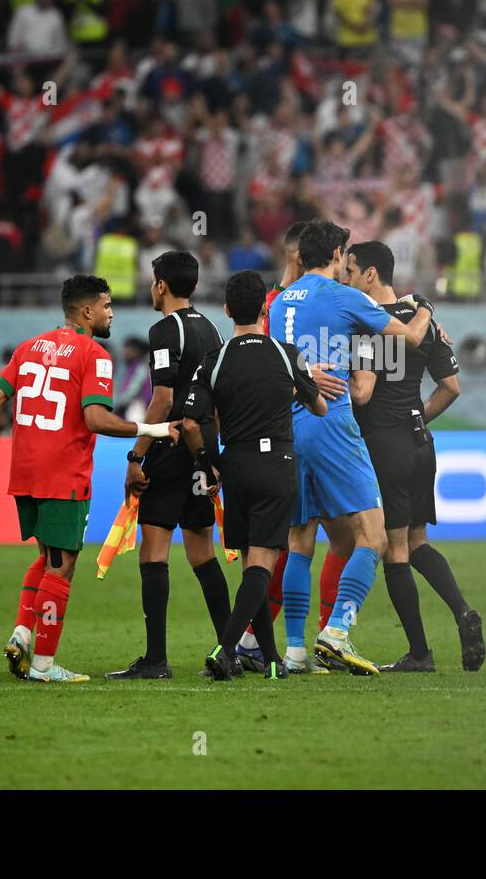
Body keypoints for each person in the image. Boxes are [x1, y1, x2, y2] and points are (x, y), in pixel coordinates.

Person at [0, 274, 177, 683]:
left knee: (47, 559)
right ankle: (43, 665)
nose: (112, 312)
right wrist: (152, 430)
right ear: (87, 311)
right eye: (107, 305)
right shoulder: (94, 355)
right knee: (63, 567)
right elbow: (95, 419)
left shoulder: (28, 348)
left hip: (23, 470)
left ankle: (22, 634)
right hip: (63, 472)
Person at [277, 219, 435, 676]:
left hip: (290, 423)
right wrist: (421, 308)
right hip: (332, 422)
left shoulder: (283, 300)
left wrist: (301, 378)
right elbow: (409, 337)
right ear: (336, 255)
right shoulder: (347, 298)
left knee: (299, 539)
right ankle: (337, 632)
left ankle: (295, 652)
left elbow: (281, 358)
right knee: (375, 536)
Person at [344, 241, 484, 672]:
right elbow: (451, 388)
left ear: (371, 275)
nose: (345, 279)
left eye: (350, 271)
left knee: (395, 549)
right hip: (421, 443)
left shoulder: (368, 326)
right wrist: (417, 417)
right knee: (419, 540)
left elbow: (363, 393)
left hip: (385, 445)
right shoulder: (424, 322)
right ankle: (462, 610)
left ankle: (420, 653)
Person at [181, 270, 327, 681]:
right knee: (262, 565)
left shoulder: (215, 359)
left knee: (251, 567)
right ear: (266, 308)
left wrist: (207, 462)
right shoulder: (287, 354)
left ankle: (270, 660)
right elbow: (319, 408)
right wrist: (299, 388)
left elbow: (192, 423)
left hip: (235, 465)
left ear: (227, 310)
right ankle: (224, 649)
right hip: (277, 464)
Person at [106, 251, 231, 681]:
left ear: (161, 284)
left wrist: (137, 455)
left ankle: (156, 660)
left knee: (154, 549)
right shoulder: (212, 328)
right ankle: (227, 650)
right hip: (203, 446)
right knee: (203, 554)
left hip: (171, 445)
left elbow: (161, 399)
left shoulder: (164, 330)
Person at [234, 220, 353, 673]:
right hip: (289, 434)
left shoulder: (277, 304)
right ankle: (295, 640)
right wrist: (302, 382)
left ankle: (292, 642)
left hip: (289, 433)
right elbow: (258, 374)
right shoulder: (275, 306)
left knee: (313, 541)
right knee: (301, 543)